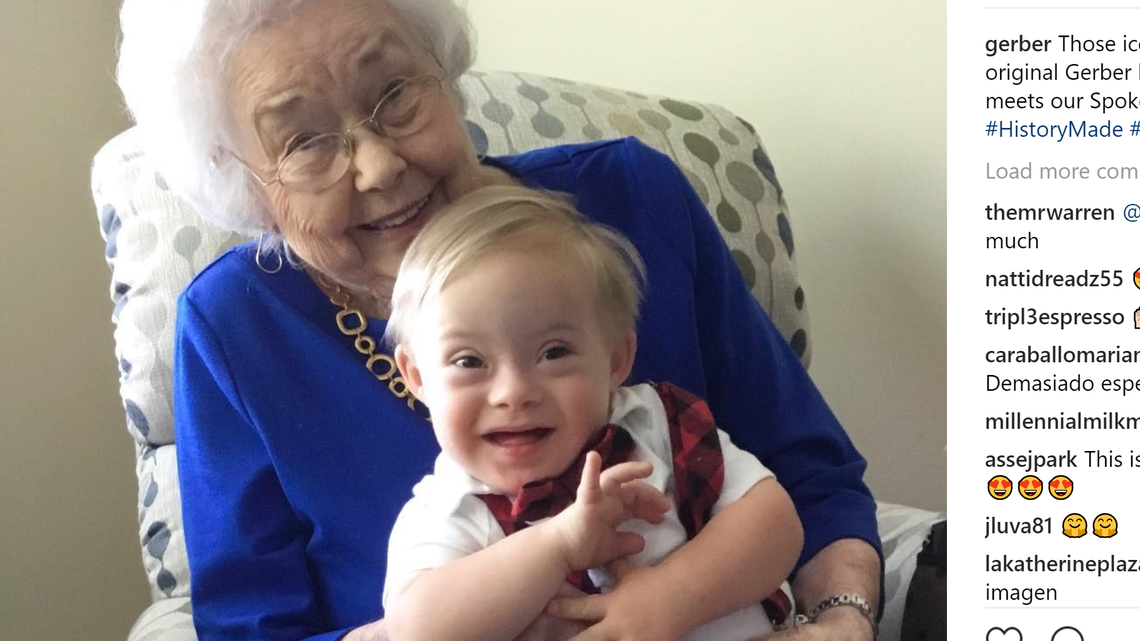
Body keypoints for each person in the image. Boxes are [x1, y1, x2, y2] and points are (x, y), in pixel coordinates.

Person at [115, 0, 882, 639]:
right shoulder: (232, 329)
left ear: (444, 74)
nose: (379, 166)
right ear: (243, 182)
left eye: (395, 95)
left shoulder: (629, 205)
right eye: (306, 141)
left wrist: (841, 620)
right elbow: (253, 627)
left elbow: (806, 475)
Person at [380, 186, 803, 641]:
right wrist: (558, 544)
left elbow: (775, 525)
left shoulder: (658, 424)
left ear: (615, 360)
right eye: (468, 361)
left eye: (554, 352)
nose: (513, 393)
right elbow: (415, 631)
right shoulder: (449, 512)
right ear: (418, 376)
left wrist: (669, 598)